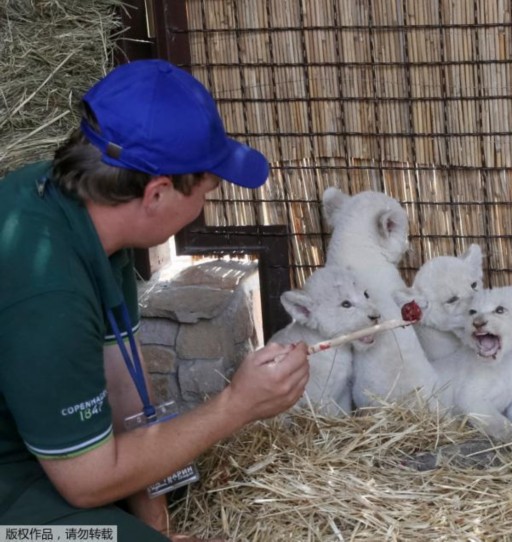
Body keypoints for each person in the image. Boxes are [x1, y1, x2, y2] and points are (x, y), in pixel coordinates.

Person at [0, 59, 310, 540]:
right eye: (207, 191)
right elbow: (87, 483)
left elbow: (124, 388)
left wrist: (159, 527)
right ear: (158, 194)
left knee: (173, 477)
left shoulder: (82, 211)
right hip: (15, 482)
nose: (202, 208)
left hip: (33, 444)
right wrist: (236, 405)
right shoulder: (48, 290)